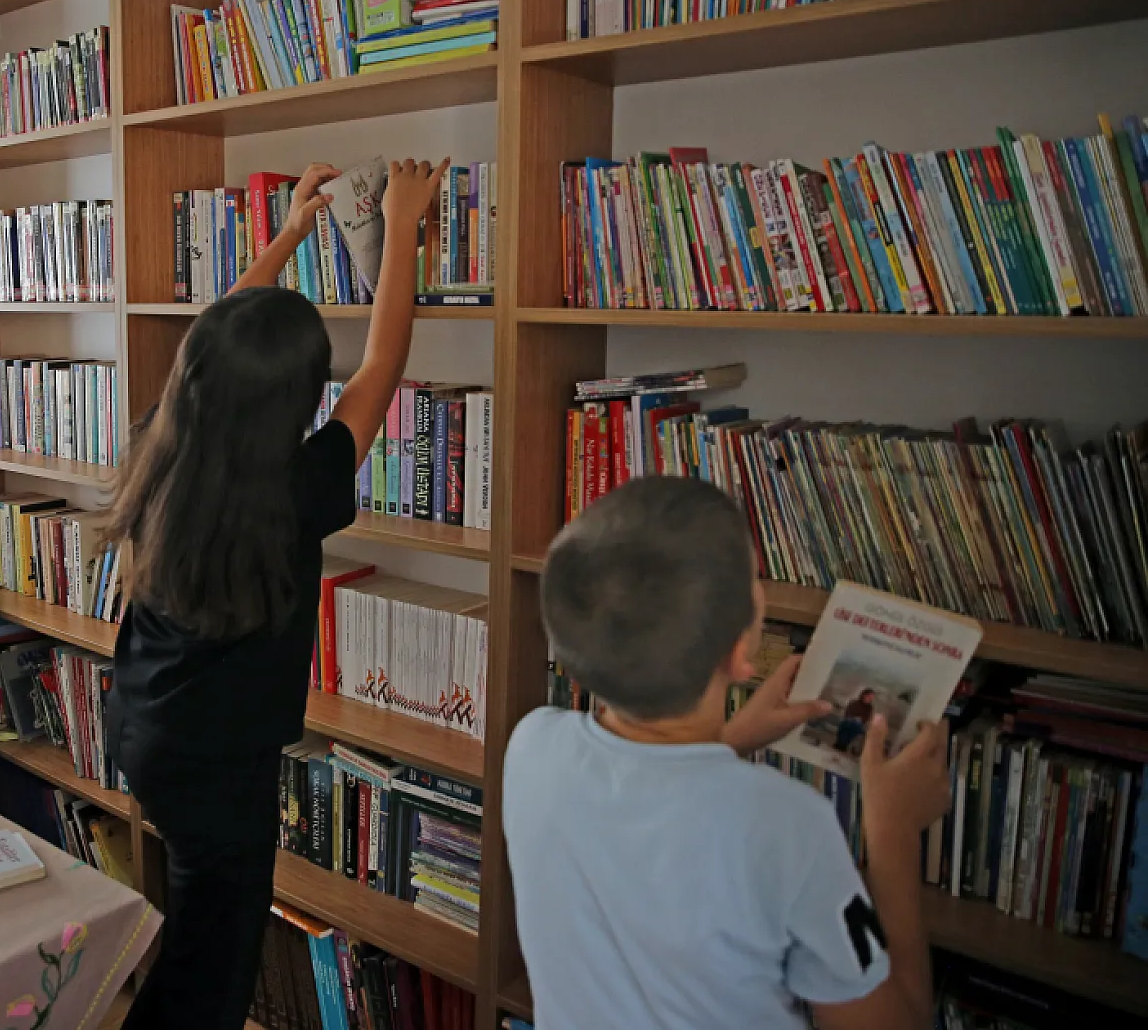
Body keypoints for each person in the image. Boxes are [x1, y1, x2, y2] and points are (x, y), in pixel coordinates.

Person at [106, 158, 447, 1030]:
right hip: (221, 769)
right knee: (214, 971)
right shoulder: (292, 491)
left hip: (147, 727)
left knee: (194, 932)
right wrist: (402, 230)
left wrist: (291, 234)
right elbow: (382, 366)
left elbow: (213, 339)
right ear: (295, 404)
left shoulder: (164, 441)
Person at [503, 476, 951, 1030]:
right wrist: (894, 833)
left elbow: (650, 807)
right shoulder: (789, 825)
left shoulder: (532, 748)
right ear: (742, 654)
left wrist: (731, 737)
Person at [835, 688, 877, 754]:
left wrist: (860, 720)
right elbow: (847, 713)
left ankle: (842, 744)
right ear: (864, 695)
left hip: (859, 724)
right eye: (869, 697)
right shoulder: (854, 703)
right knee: (848, 725)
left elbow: (866, 718)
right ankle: (841, 744)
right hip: (848, 721)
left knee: (856, 727)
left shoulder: (869, 708)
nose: (870, 699)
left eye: (871, 698)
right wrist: (854, 718)